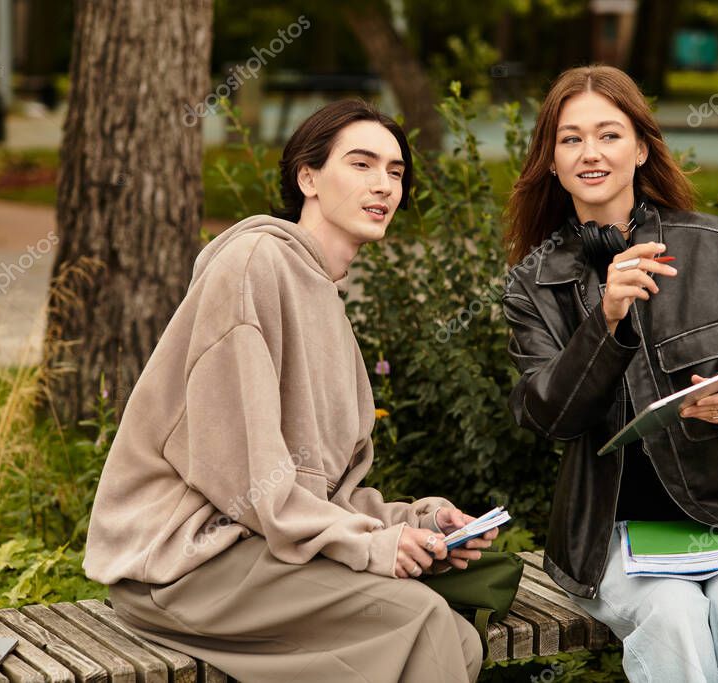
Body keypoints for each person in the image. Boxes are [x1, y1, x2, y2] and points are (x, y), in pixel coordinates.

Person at [83, 99, 495, 683]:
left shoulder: (324, 298)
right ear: (308, 178)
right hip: (184, 565)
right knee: (422, 622)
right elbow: (251, 480)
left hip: (256, 549)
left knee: (455, 633)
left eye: (396, 172)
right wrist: (375, 547)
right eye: (361, 164)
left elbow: (314, 492)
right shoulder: (253, 266)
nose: (383, 186)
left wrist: (417, 522)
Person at [501, 65, 718, 682]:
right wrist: (607, 318)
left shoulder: (713, 246)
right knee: (672, 613)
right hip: (612, 533)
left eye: (609, 135)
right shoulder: (533, 284)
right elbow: (546, 414)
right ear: (550, 160)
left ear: (641, 148)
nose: (590, 153)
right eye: (570, 139)